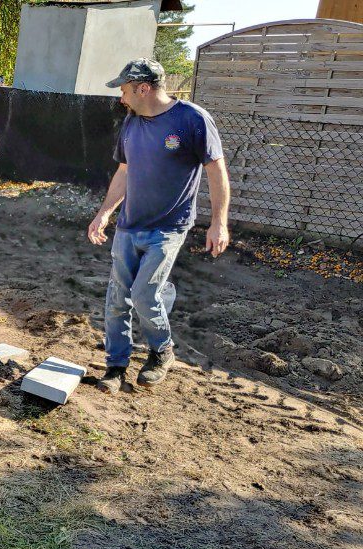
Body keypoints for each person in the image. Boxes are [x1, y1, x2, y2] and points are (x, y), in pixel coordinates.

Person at [88, 58, 231, 393]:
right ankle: (116, 367)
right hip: (128, 225)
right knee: (117, 299)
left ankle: (161, 350)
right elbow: (124, 173)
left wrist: (219, 223)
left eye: (124, 90)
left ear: (143, 88)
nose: (121, 98)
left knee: (143, 293)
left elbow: (217, 173)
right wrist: (105, 212)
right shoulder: (131, 124)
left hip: (168, 227)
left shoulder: (192, 119)